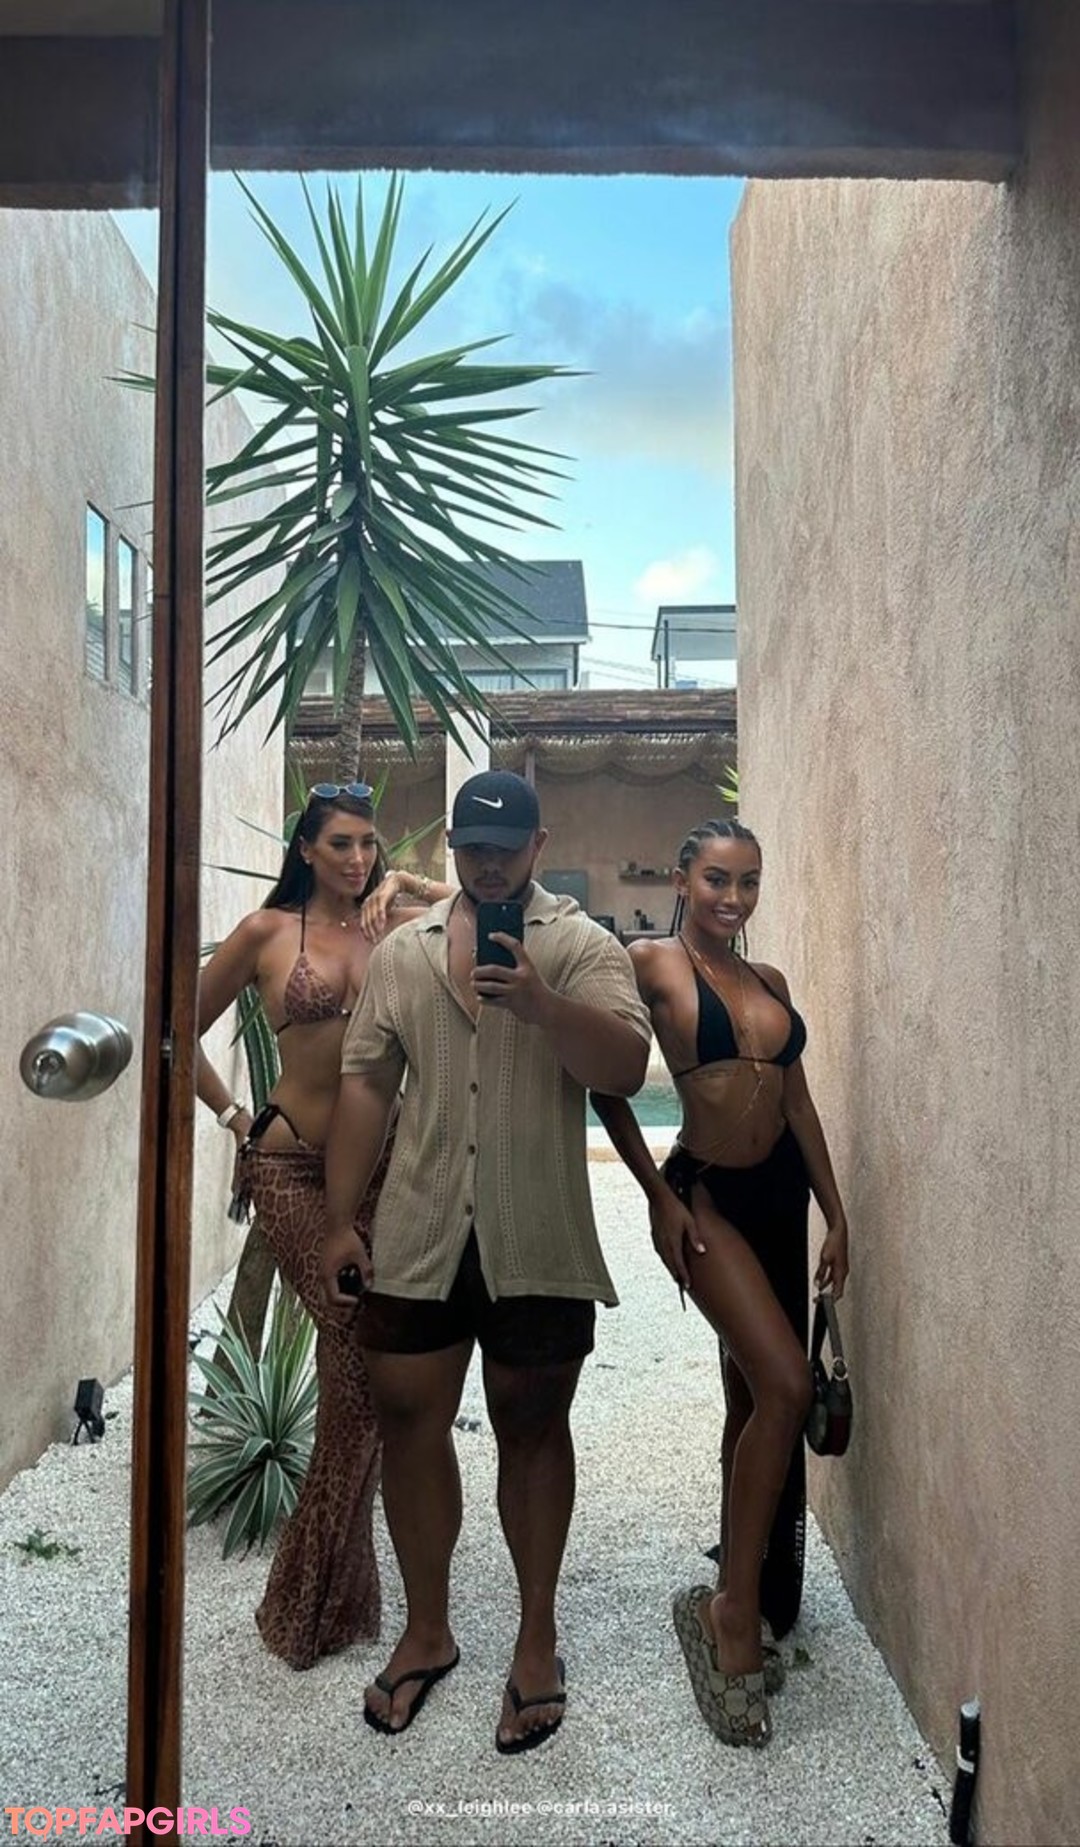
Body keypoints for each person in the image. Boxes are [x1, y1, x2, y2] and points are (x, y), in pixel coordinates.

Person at [319, 769, 651, 1751]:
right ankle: (427, 1629)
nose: (490, 863)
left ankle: (536, 1636)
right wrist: (339, 1220)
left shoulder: (583, 947)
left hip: (537, 1230)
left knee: (534, 1427)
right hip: (417, 1227)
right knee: (409, 1422)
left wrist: (545, 1006)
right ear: (454, 847)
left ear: (539, 846)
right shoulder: (404, 953)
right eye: (474, 847)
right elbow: (366, 1084)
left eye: (507, 848)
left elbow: (626, 1066)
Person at [591, 817, 849, 1748]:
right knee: (786, 1385)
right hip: (709, 1198)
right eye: (716, 879)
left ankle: (749, 1575)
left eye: (748, 882)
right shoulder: (650, 962)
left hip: (782, 1198)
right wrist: (658, 1197)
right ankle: (732, 1611)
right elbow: (604, 1079)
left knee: (751, 1397)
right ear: (682, 878)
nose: (733, 898)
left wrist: (837, 1214)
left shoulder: (768, 980)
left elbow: (798, 1102)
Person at [196, 780, 450, 1670]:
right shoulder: (268, 932)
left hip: (383, 1172)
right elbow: (173, 1025)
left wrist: (406, 881)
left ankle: (336, 1591)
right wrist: (234, 1116)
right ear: (305, 849)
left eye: (368, 844)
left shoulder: (392, 923)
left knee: (372, 1373)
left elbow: (484, 902)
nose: (357, 858)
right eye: (340, 843)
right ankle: (306, 1599)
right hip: (292, 1167)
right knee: (356, 1354)